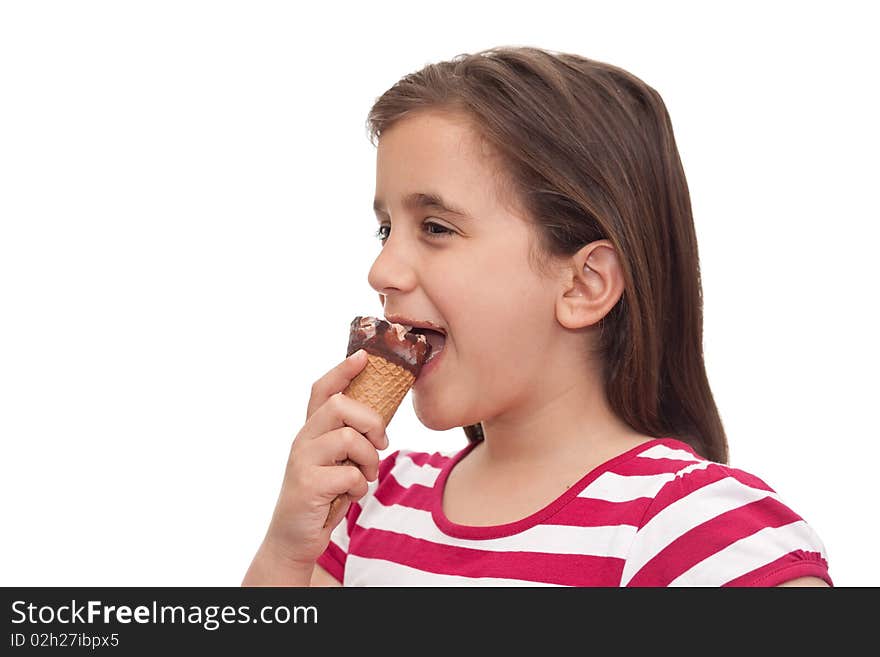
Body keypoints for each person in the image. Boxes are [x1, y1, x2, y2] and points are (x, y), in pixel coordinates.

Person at [242, 46, 832, 587]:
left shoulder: (701, 535)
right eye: (385, 229)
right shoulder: (369, 508)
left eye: (437, 228)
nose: (382, 271)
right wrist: (285, 555)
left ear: (583, 284)